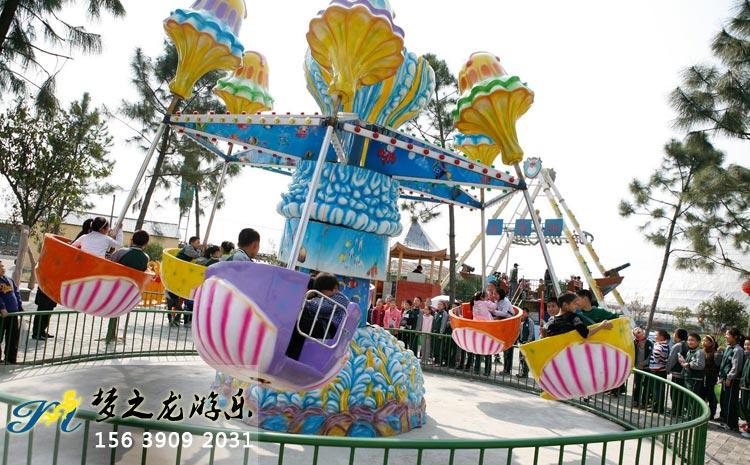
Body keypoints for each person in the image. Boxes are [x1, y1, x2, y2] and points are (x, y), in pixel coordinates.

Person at [286, 273, 349, 360]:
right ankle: (290, 355)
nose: (320, 295)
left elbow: (322, 308)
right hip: (321, 324)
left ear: (334, 289)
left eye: (322, 292)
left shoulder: (340, 298)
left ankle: (293, 356)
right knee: (297, 324)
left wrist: (304, 301)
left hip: (328, 328)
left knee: (299, 324)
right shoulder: (326, 297)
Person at [544, 292, 613, 339]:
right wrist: (602, 325)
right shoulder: (573, 317)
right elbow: (586, 334)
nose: (577, 306)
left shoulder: (552, 321)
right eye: (574, 303)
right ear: (565, 305)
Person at [718, 328, 745, 432]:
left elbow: (736, 366)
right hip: (726, 379)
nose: (725, 336)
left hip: (732, 380)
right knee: (725, 400)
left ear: (735, 337)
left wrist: (729, 377)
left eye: (727, 334)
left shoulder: (738, 350)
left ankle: (731, 424)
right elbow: (725, 363)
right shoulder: (729, 347)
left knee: (730, 402)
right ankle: (727, 421)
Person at [0, 261, 23, 364]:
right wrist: (2, 307)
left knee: (13, 337)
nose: (3, 268)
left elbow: (16, 293)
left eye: (3, 266)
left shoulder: (9, 280)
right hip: (2, 315)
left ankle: (10, 359)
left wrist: (20, 307)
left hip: (13, 314)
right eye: (0, 267)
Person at [648, 330, 671, 414]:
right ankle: (656, 406)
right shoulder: (665, 345)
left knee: (656, 390)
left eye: (656, 335)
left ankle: (657, 407)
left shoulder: (659, 345)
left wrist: (657, 360)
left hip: (657, 370)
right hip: (660, 370)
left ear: (661, 337)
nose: (655, 336)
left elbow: (657, 353)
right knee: (658, 390)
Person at [632, 327, 654, 408]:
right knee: (637, 385)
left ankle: (645, 402)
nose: (638, 334)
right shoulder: (634, 343)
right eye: (636, 333)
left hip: (647, 368)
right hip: (637, 368)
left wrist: (645, 363)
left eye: (639, 332)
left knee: (647, 386)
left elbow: (651, 354)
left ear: (643, 332)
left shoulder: (650, 342)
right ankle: (636, 401)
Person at [667, 328, 689, 408]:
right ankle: (678, 410)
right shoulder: (687, 344)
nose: (673, 335)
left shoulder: (677, 346)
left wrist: (667, 369)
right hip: (685, 373)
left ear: (677, 335)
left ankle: (675, 410)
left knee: (674, 393)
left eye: (674, 333)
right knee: (680, 394)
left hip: (677, 373)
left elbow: (671, 360)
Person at [702, 335, 722, 420]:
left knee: (711, 397)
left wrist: (718, 354)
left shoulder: (715, 352)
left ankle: (711, 414)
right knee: (702, 395)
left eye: (706, 341)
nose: (704, 342)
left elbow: (718, 364)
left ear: (711, 343)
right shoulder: (702, 351)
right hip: (703, 377)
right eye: (703, 340)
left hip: (712, 377)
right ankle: (702, 414)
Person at [680, 333, 706, 398]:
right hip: (688, 378)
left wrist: (689, 365)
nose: (689, 342)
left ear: (698, 342)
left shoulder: (699, 352)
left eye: (692, 340)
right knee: (687, 398)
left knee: (691, 399)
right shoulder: (689, 351)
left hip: (694, 379)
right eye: (688, 340)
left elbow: (700, 365)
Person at [516, 308, 535, 378]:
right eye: (522, 312)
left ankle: (525, 373)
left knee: (526, 359)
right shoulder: (521, 321)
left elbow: (531, 333)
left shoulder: (530, 321)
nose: (523, 314)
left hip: (527, 343)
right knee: (521, 358)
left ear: (527, 313)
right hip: (522, 343)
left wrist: (528, 341)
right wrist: (518, 340)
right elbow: (519, 332)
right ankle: (522, 372)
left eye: (524, 312)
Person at [431, 300, 449, 365]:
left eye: (440, 304)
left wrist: (441, 333)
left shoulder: (444, 313)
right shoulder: (436, 312)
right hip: (434, 332)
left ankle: (439, 361)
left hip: (439, 333)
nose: (439, 306)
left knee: (439, 348)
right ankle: (435, 360)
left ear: (444, 306)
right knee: (434, 347)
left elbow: (443, 323)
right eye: (438, 304)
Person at [739, 338, 750, 438]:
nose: (746, 347)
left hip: (748, 387)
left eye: (749, 345)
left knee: (748, 408)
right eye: (745, 344)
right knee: (744, 406)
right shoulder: (747, 357)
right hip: (744, 387)